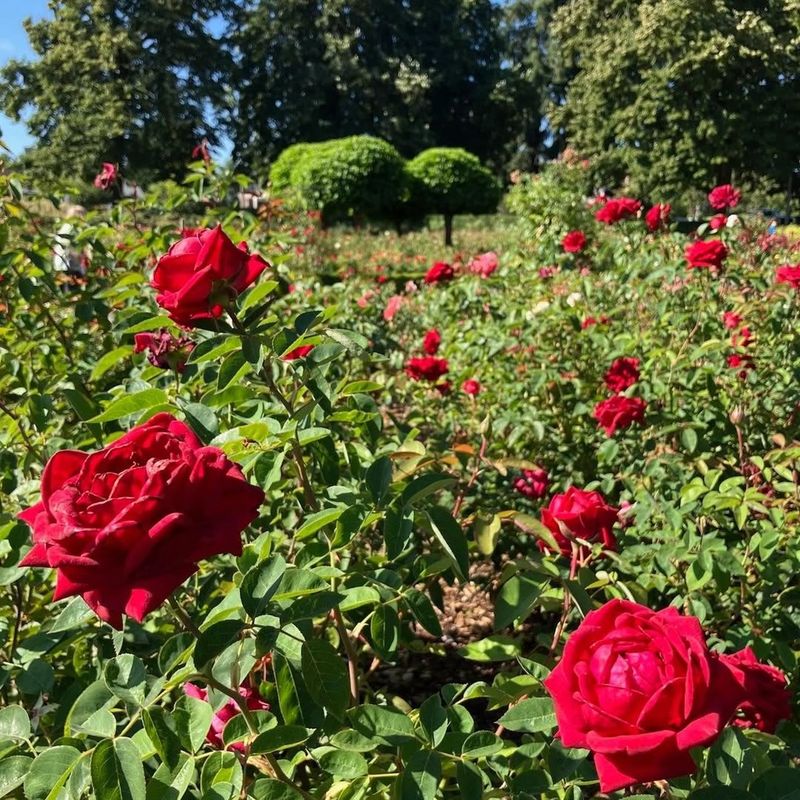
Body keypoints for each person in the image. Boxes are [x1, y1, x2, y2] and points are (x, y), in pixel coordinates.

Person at [53, 204, 90, 281]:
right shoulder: (73, 229)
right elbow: (72, 249)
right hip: (70, 266)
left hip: (60, 265)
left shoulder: (64, 227)